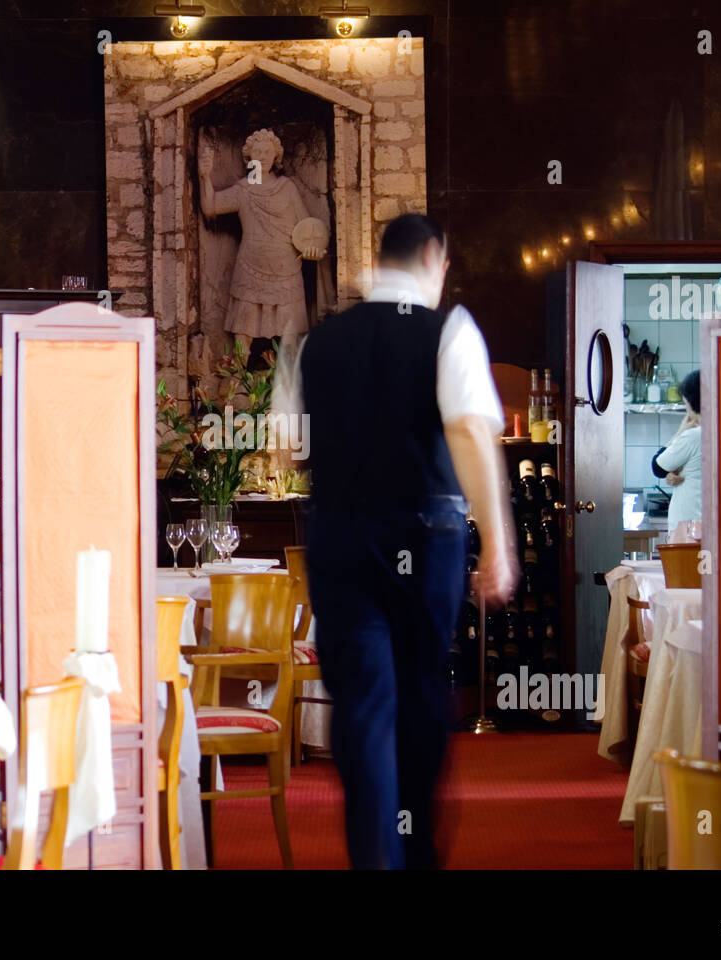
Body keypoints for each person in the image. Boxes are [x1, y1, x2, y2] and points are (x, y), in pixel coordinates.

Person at [270, 213, 517, 869]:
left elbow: (286, 448)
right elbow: (468, 433)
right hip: (424, 533)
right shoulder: (449, 330)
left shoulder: (318, 340)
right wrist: (497, 542)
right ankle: (416, 850)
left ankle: (376, 858)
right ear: (434, 257)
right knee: (419, 694)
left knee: (363, 707)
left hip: (341, 537)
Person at [198, 129, 325, 350]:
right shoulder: (243, 190)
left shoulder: (287, 188)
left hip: (286, 267)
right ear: (249, 157)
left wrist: (313, 249)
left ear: (276, 156)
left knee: (290, 333)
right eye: (258, 151)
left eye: (268, 151)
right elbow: (210, 207)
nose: (263, 156)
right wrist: (204, 176)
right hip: (250, 267)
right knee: (244, 331)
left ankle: (290, 381)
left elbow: (307, 228)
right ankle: (239, 380)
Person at [651, 369, 702, 530]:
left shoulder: (693, 436)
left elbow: (658, 467)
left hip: (691, 527)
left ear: (691, 402)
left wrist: (679, 432)